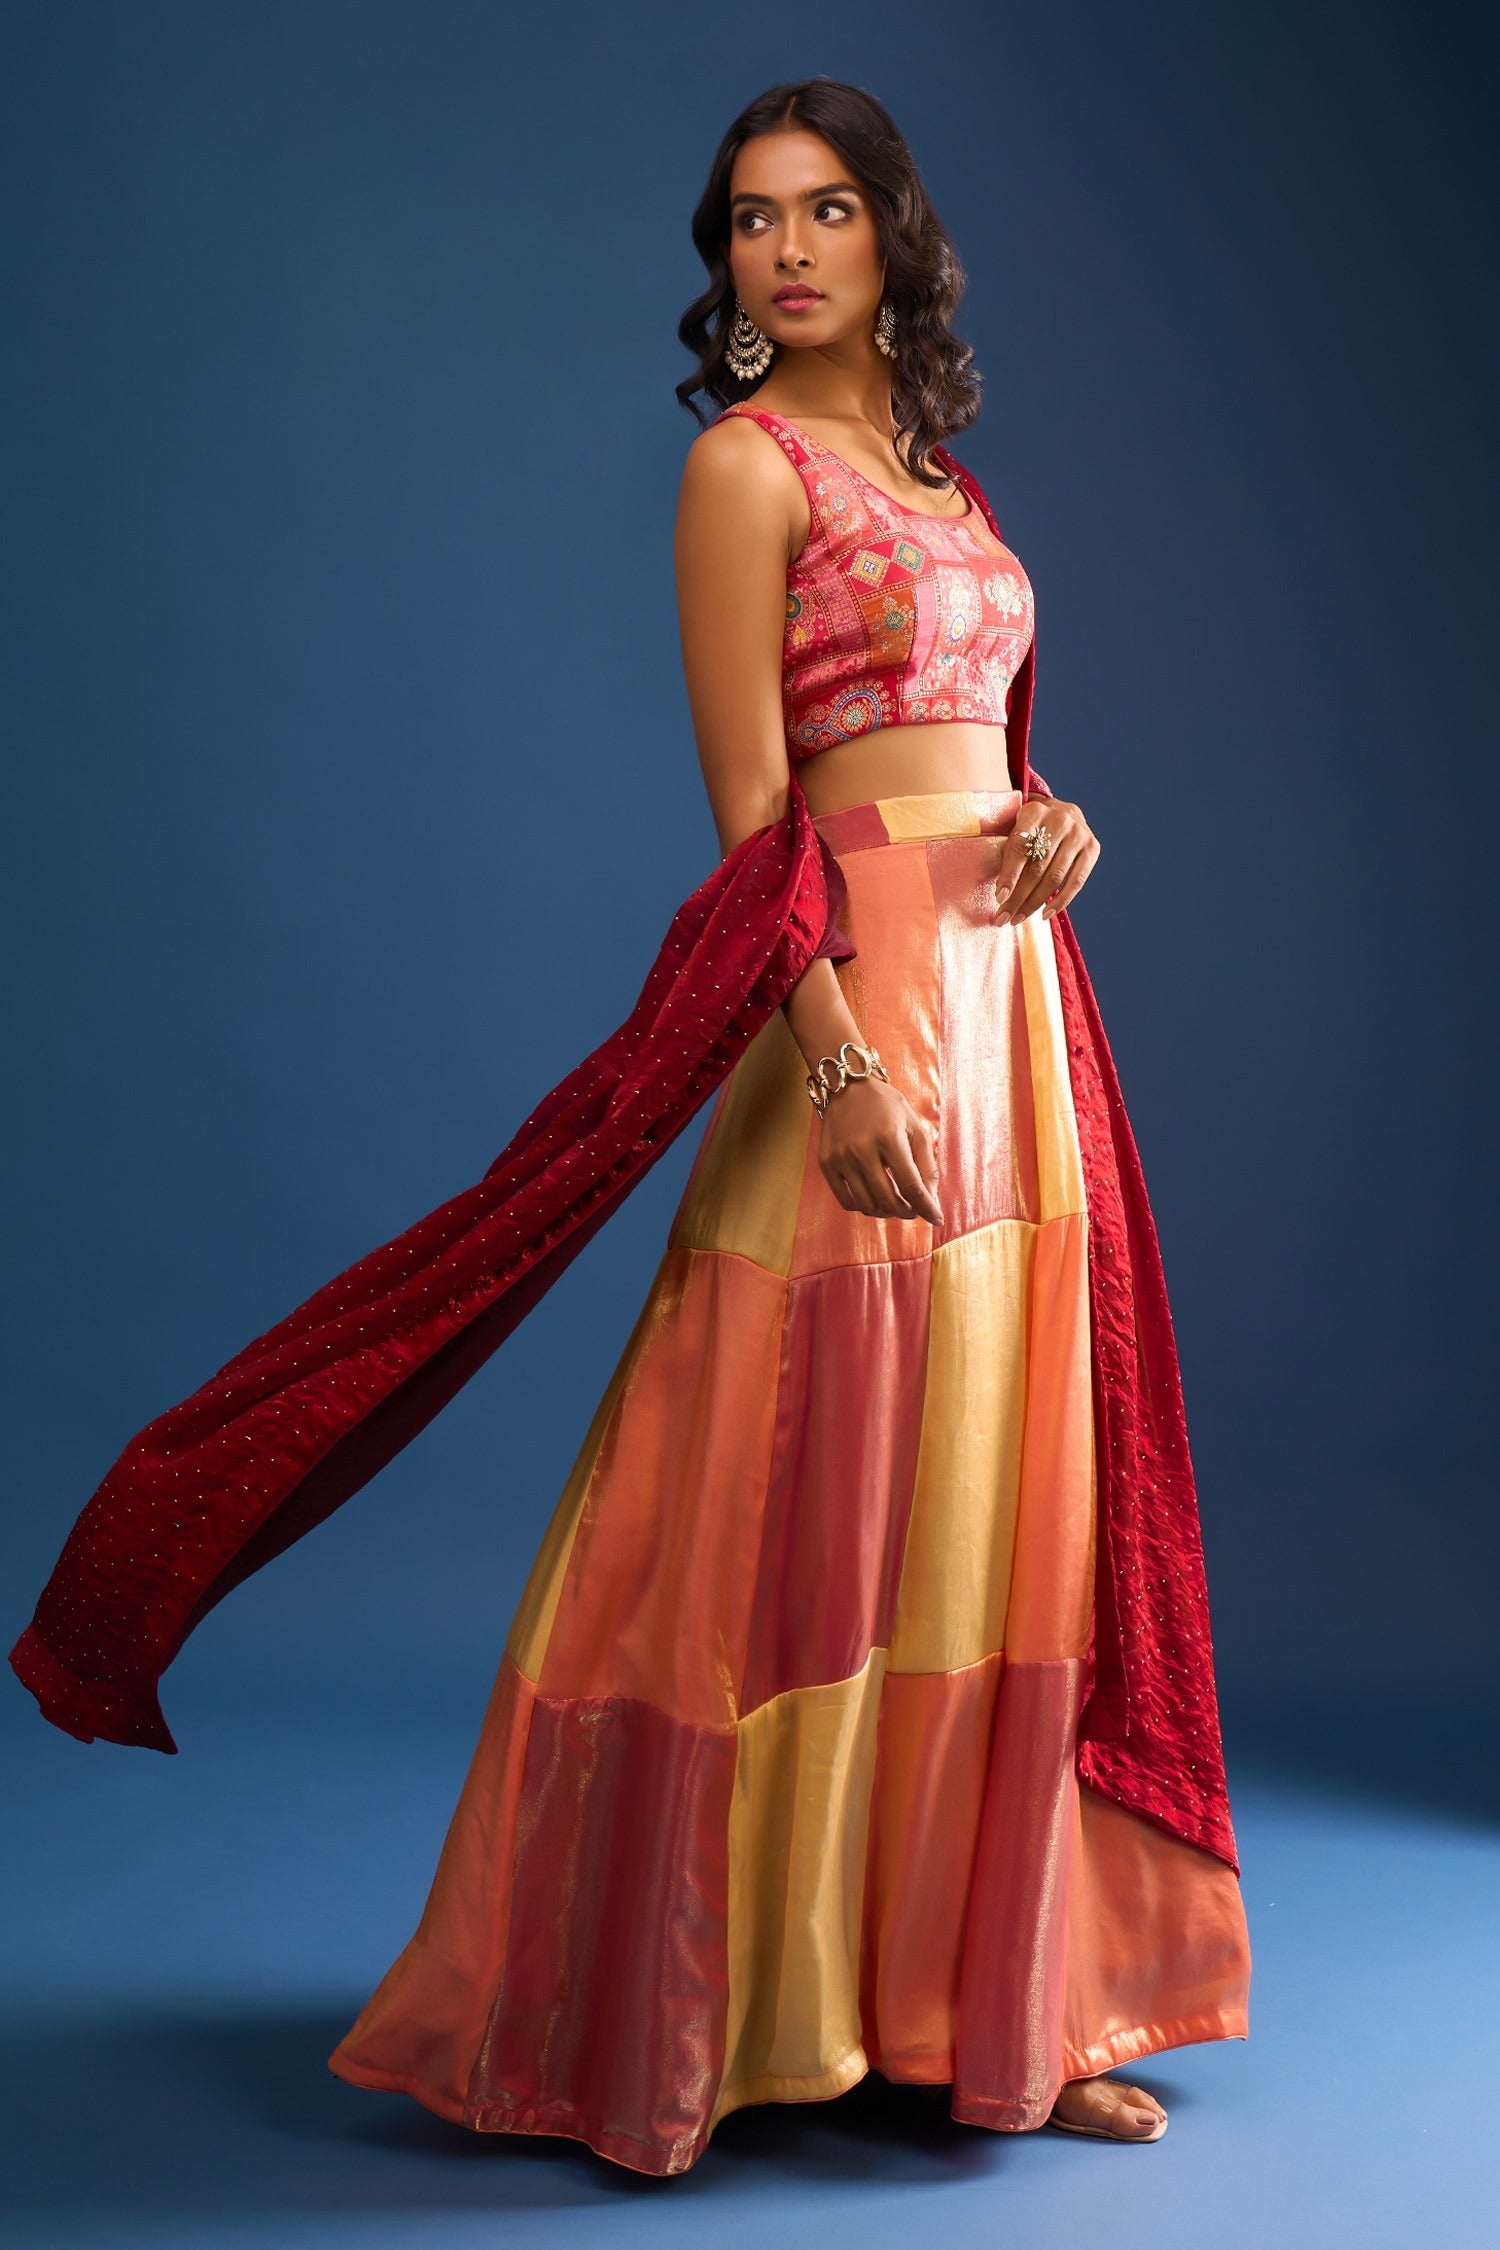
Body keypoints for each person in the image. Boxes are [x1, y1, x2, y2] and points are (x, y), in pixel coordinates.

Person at [10, 77, 1251, 2178]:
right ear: (728, 268)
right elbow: (763, 820)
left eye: (827, 208)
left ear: (894, 236)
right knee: (783, 1495)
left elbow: (973, 754)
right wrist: (837, 1060)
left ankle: (997, 2007)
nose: (788, 247)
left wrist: (1057, 826)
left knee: (999, 1505)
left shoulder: (945, 483)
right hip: (851, 1009)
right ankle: (667, 2011)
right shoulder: (743, 469)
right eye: (753, 219)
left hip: (1021, 1024)